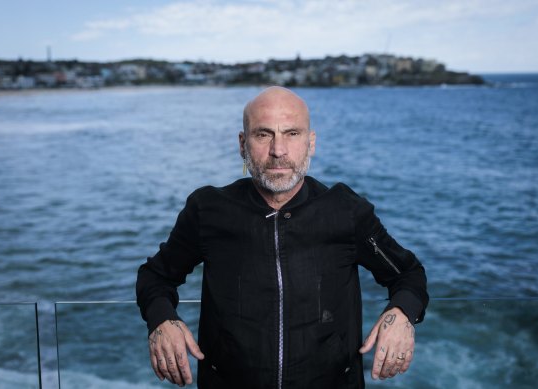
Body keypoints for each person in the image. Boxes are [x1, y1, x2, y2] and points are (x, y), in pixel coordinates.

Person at [136, 86, 428, 388]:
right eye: (263, 134)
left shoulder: (346, 211)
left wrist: (402, 314)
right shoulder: (208, 210)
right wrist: (161, 320)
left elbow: (408, 274)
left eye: (292, 134)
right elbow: (155, 276)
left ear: (311, 143)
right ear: (242, 144)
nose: (278, 151)